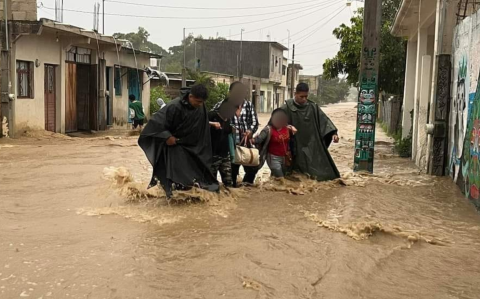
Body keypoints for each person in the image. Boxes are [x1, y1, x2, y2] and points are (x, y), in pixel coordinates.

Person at [138, 84, 219, 198]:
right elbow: (155, 125)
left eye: (202, 102)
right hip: (175, 147)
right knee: (176, 179)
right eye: (198, 101)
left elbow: (202, 126)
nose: (200, 104)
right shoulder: (174, 106)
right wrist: (167, 136)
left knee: (201, 176)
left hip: (194, 147)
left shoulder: (201, 107)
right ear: (190, 96)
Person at [281, 83, 340, 181]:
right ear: (295, 94)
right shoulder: (286, 107)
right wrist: (287, 127)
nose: (304, 99)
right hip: (292, 145)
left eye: (306, 96)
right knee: (289, 174)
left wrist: (333, 134)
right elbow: (275, 124)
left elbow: (324, 121)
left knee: (316, 174)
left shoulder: (313, 107)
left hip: (309, 145)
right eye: (301, 97)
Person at [213, 82, 259, 187]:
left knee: (253, 168)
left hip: (245, 145)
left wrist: (250, 131)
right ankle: (234, 188)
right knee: (231, 175)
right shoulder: (221, 105)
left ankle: (245, 188)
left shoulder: (248, 105)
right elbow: (212, 120)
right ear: (230, 93)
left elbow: (255, 122)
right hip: (229, 147)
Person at [254, 109, 297, 178]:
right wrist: (252, 139)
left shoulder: (287, 128)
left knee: (279, 178)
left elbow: (292, 141)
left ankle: (269, 187)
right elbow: (257, 140)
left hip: (285, 157)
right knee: (281, 179)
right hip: (273, 158)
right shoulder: (268, 129)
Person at [208, 101, 237, 187]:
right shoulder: (212, 115)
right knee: (211, 183)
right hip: (212, 155)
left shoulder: (228, 119)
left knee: (228, 182)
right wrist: (212, 123)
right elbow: (199, 122)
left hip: (225, 154)